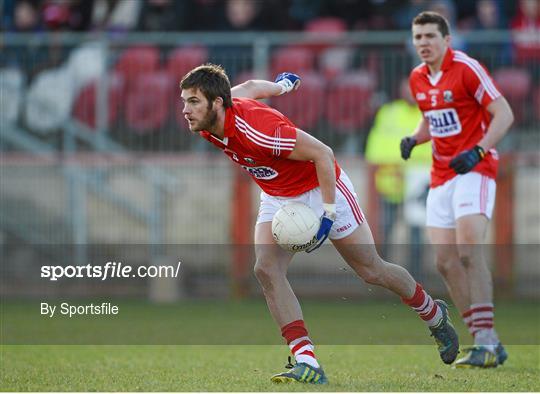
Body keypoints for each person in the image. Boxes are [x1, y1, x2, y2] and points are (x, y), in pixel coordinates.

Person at [180, 64, 459, 384]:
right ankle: (306, 359)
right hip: (277, 194)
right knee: (266, 269)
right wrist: (282, 87)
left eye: (193, 102)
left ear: (217, 103)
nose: (185, 110)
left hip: (322, 189)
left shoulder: (259, 129)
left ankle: (434, 315)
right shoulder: (213, 115)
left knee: (371, 270)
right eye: (184, 101)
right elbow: (251, 87)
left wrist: (327, 214)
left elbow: (323, 154)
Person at [400, 11, 514, 368]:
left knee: (468, 249)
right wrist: (416, 138)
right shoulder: (417, 77)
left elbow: (504, 113)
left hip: (475, 168)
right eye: (418, 37)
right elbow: (433, 116)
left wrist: (479, 149)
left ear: (447, 40)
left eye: (430, 36)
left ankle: (485, 341)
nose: (423, 43)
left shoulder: (467, 69)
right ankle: (486, 340)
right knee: (445, 262)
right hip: (441, 174)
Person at [365, 76, 431, 274]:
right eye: (407, 89)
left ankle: (417, 279)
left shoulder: (428, 115)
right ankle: (382, 276)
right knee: (384, 231)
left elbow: (432, 149)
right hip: (390, 183)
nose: (410, 93)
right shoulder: (388, 112)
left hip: (418, 184)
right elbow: (375, 146)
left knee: (417, 235)